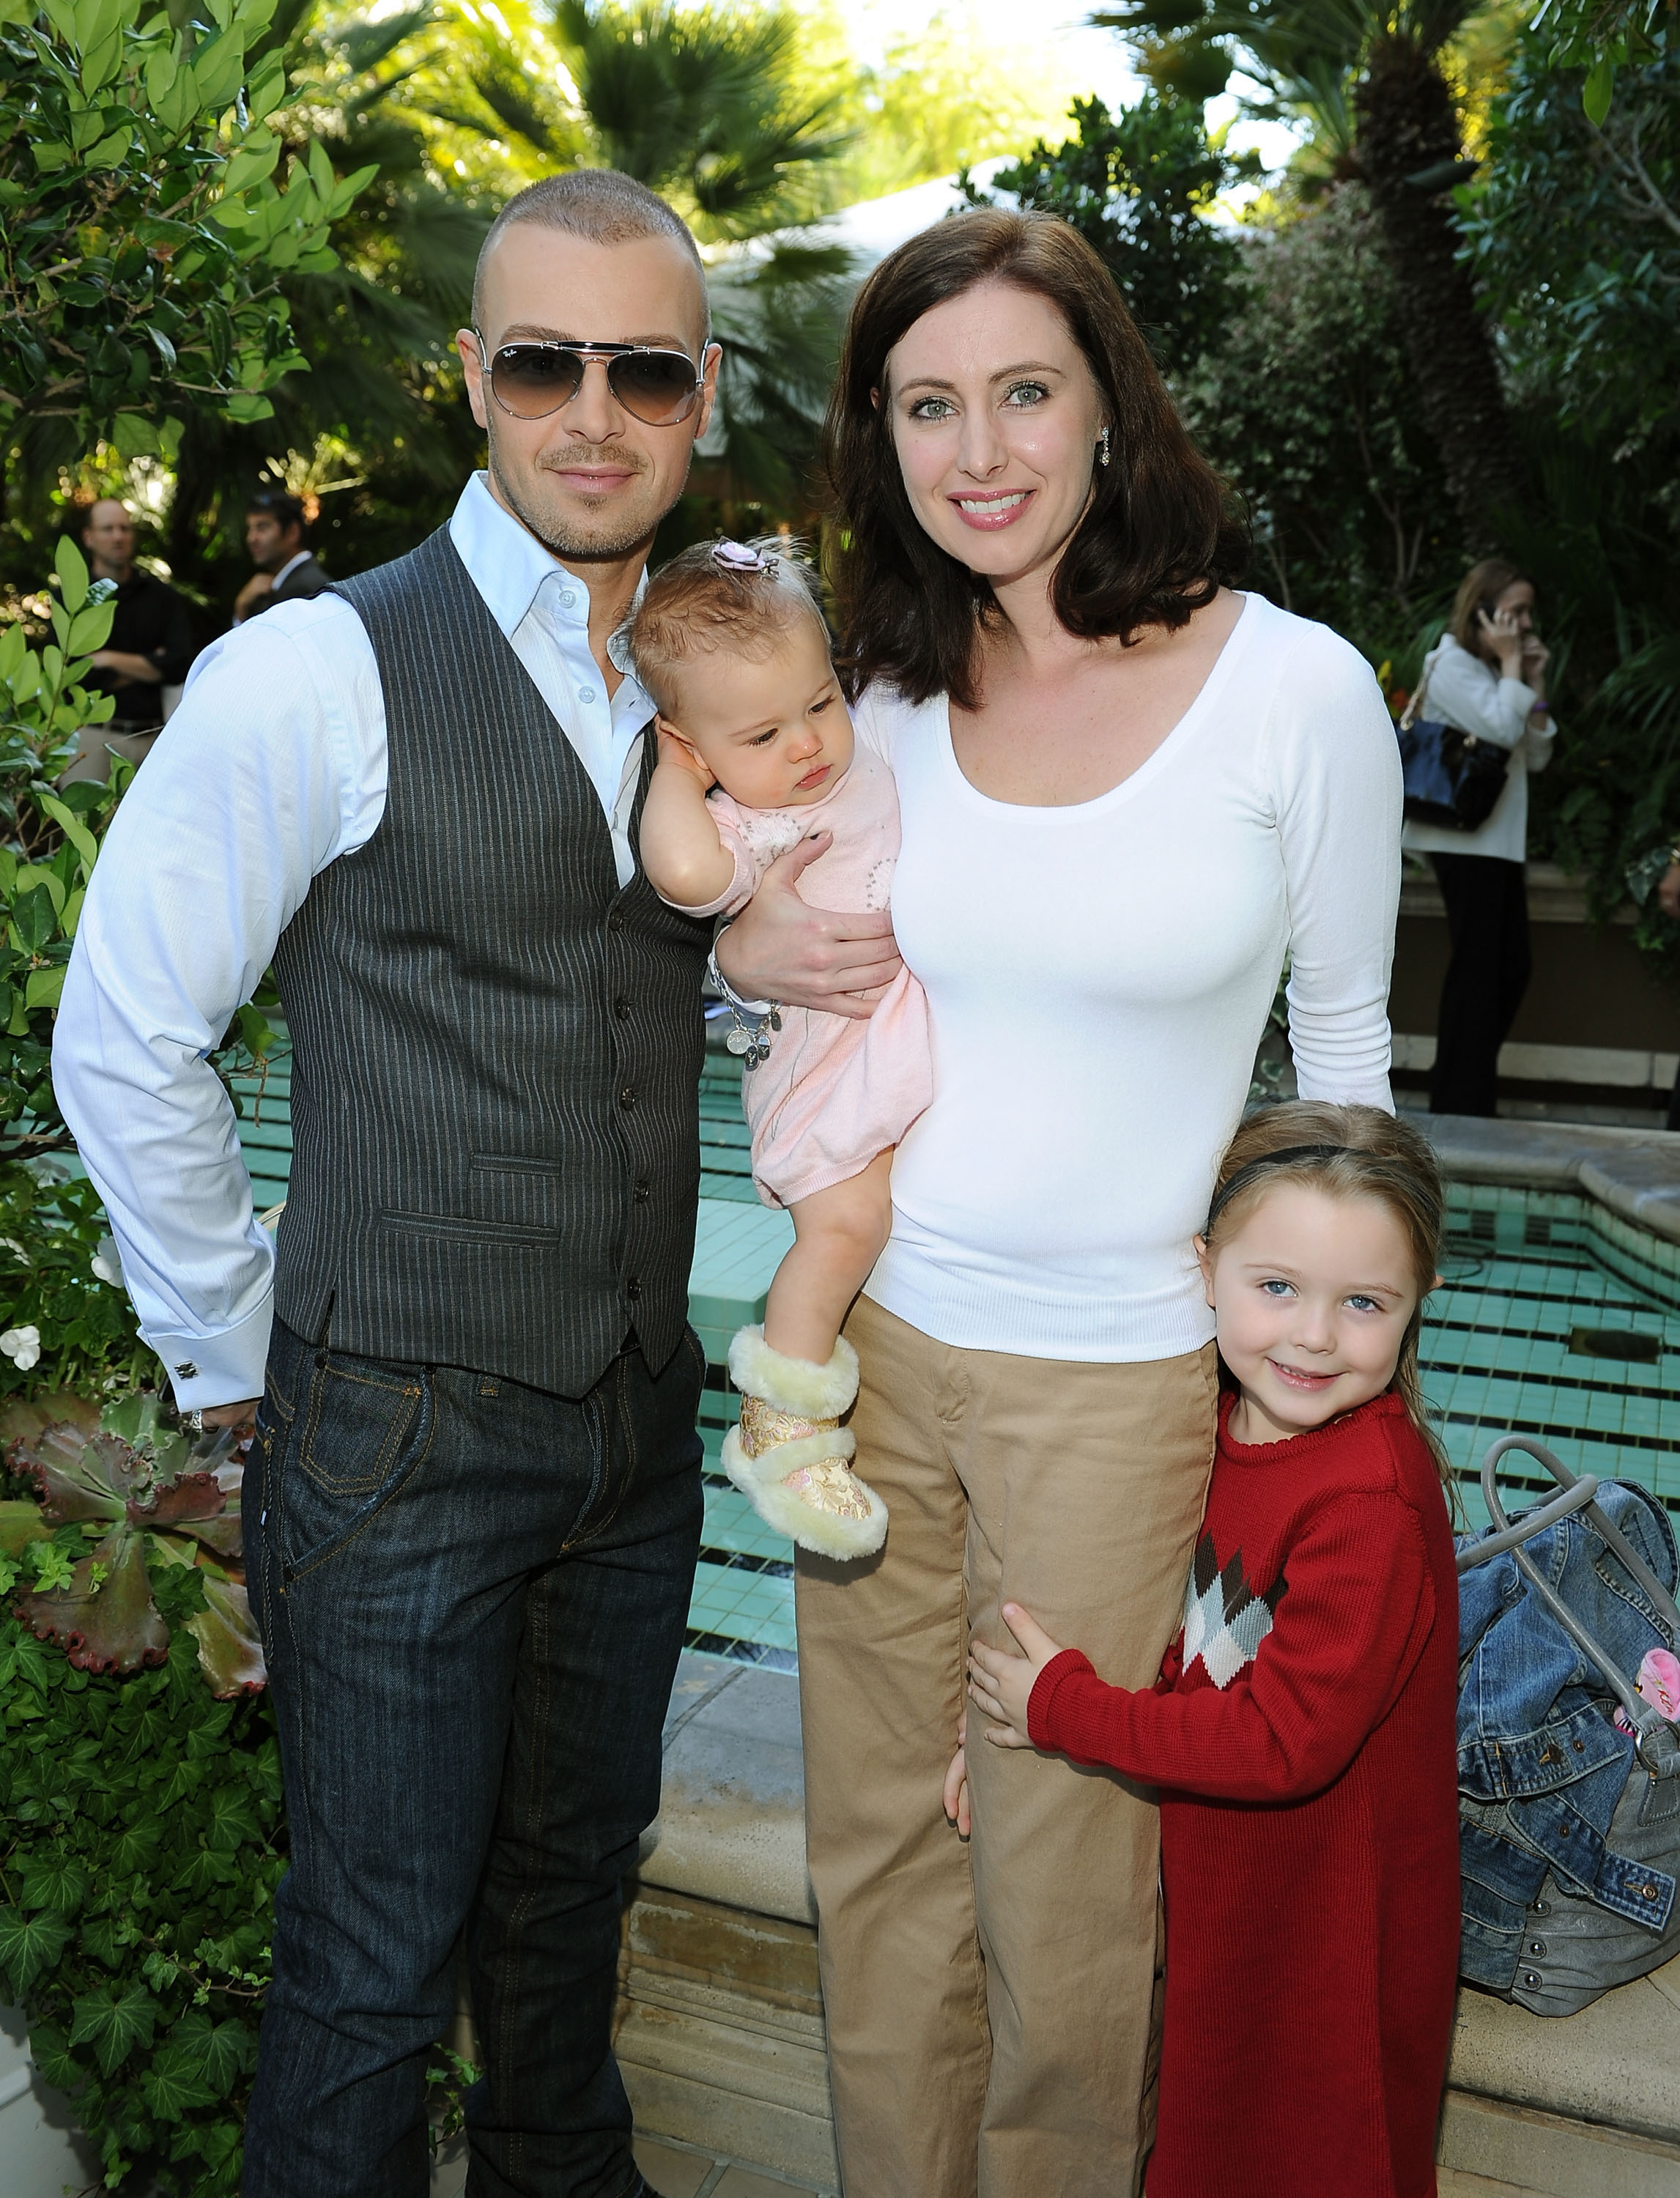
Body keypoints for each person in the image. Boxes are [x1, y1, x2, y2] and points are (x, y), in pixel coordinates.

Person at [711, 206, 1402, 2198]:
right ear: (880, 442)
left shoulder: (1292, 689)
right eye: (926, 406)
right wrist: (742, 957)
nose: (978, 449)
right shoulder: (871, 696)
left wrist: (1320, 1385)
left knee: (1066, 1896)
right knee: (875, 1857)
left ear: (1109, 409)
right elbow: (753, 928)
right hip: (873, 1364)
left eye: (1023, 390)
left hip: (1117, 1386)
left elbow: (1346, 1060)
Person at [55, 170, 731, 2198]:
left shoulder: (705, 693)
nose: (590, 412)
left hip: (630, 1436)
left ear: (701, 396)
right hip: (397, 1435)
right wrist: (236, 1352)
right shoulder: (317, 672)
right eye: (542, 363)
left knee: (559, 1947)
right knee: (366, 1978)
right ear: (472, 380)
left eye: (642, 369)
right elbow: (125, 1035)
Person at [960, 1102, 1461, 2198]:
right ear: (1205, 1268)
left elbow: (1282, 1739)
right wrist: (1005, 1735)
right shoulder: (1207, 1425)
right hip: (1232, 1905)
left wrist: (1060, 1712)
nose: (1314, 1335)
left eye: (1363, 1304)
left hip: (1326, 1938)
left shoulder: (1365, 1499)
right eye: (1275, 1287)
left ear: (1416, 1307)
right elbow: (1173, 1640)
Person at [633, 536, 932, 1559]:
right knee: (844, 1226)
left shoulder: (871, 759)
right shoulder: (741, 826)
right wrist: (677, 775)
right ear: (696, 747)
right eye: (762, 733)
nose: (806, 745)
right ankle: (783, 1417)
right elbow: (678, 873)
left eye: (818, 703)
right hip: (822, 1068)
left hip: (891, 1049)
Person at [1403, 558, 1555, 1117]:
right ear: (1482, 611)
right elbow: (1498, 728)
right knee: (1479, 969)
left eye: (1525, 612)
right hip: (1462, 841)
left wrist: (1531, 681)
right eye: (1510, 611)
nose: (1520, 623)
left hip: (1496, 842)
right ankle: (1462, 1100)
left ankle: (1459, 1084)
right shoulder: (1450, 664)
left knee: (1508, 967)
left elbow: (1534, 753)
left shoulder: (1499, 673)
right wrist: (1515, 669)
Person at [70, 497, 196, 766]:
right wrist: (150, 664)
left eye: (124, 528)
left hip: (153, 739)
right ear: (89, 537)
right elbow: (71, 678)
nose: (118, 536)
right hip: (90, 738)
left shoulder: (162, 597)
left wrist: (105, 659)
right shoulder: (72, 600)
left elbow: (179, 665)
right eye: (108, 529)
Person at [232, 490, 332, 622]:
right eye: (250, 529)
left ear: (292, 532)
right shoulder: (295, 582)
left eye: (262, 528)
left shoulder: (302, 589)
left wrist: (242, 605)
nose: (251, 538)